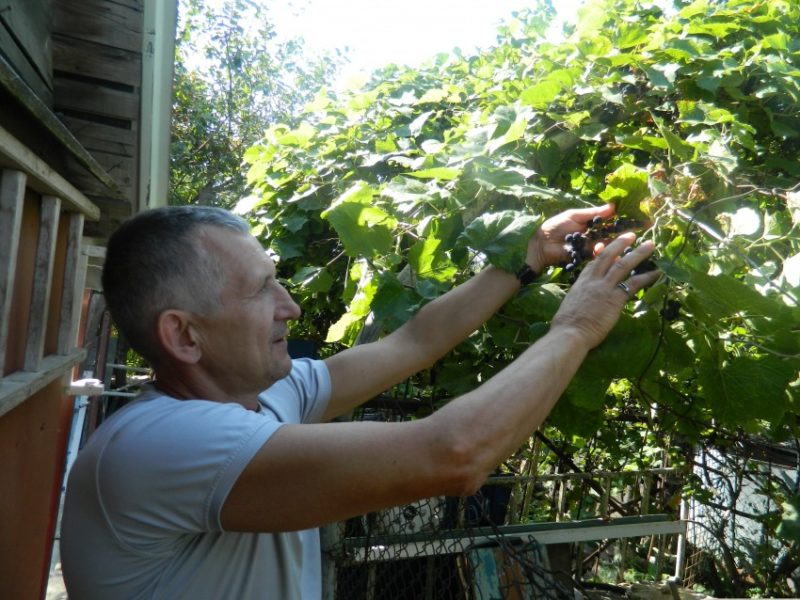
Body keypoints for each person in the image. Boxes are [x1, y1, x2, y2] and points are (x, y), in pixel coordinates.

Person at [61, 203, 660, 599]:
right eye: (261, 289)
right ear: (184, 336)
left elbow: (416, 340)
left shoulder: (266, 396)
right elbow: (453, 453)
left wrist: (527, 259)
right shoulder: (160, 445)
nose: (289, 306)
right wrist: (576, 326)